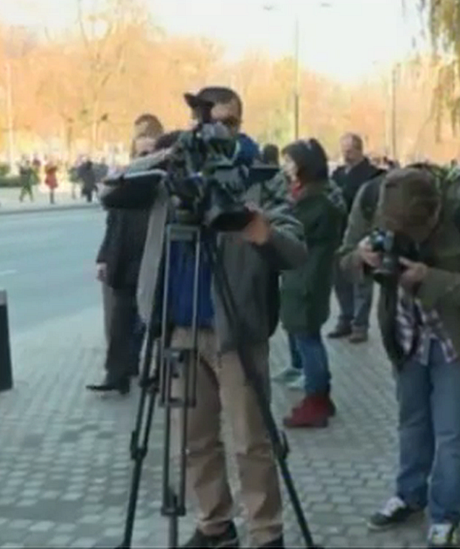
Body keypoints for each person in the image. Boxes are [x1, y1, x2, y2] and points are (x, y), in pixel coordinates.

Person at [127, 86, 308, 548]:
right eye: (206, 120)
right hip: (178, 323)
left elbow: (295, 248)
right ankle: (215, 524)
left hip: (236, 326)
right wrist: (162, 155)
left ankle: (266, 534)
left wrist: (260, 230)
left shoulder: (258, 173)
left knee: (251, 440)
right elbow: (119, 188)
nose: (214, 129)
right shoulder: (174, 162)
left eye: (226, 121)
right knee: (192, 438)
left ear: (240, 122)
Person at [340, 165, 460, 548]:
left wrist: (429, 278)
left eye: (415, 234)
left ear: (435, 214)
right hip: (406, 335)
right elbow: (343, 257)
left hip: (459, 339)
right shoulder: (370, 198)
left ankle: (446, 514)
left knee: (453, 433)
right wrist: (362, 259)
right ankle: (409, 494)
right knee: (411, 422)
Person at [88, 115, 164, 394]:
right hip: (123, 254)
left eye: (148, 144)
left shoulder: (161, 178)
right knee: (120, 320)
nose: (142, 149)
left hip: (152, 253)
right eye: (139, 143)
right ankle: (116, 374)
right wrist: (103, 257)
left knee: (153, 320)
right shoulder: (124, 176)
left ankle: (156, 373)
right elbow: (112, 220)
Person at [278, 139, 346, 428]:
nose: (286, 167)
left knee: (308, 339)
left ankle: (316, 398)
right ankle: (319, 396)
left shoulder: (316, 203)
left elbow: (293, 230)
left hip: (306, 279)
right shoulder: (312, 197)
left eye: (291, 162)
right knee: (307, 337)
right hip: (304, 277)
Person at [328, 133, 385, 343]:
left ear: (360, 150)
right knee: (340, 278)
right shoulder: (338, 174)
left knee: (362, 280)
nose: (346, 156)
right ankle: (345, 318)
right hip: (340, 232)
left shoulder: (373, 175)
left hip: (364, 232)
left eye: (350, 151)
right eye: (343, 151)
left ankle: (360, 325)